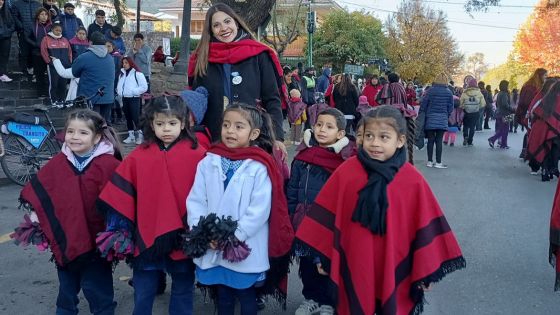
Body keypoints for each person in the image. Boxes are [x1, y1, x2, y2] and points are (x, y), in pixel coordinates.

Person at [295, 105, 465, 315]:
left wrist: (425, 273)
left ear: (400, 140)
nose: (375, 143)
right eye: (369, 136)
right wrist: (324, 258)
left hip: (394, 261)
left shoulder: (411, 180)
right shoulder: (347, 172)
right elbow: (326, 219)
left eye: (384, 137)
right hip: (355, 259)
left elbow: (425, 227)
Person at [97, 96, 206, 315]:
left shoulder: (199, 155)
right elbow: (121, 194)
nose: (166, 129)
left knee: (183, 285)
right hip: (146, 232)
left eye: (172, 123)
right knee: (143, 288)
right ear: (151, 124)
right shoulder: (138, 157)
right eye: (160, 123)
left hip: (184, 235)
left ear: (184, 123)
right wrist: (119, 229)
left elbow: (210, 195)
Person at [186, 103, 294, 315]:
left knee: (245, 294)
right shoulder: (209, 161)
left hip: (243, 243)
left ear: (253, 133)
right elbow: (197, 199)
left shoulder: (260, 165)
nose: (230, 131)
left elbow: (260, 208)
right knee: (223, 293)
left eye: (238, 126)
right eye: (226, 125)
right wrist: (201, 231)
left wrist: (234, 235)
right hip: (211, 240)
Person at [12, 109, 121, 314]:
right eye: (71, 131)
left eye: (83, 133)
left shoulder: (108, 165)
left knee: (97, 288)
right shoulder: (58, 163)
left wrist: (118, 230)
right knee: (67, 287)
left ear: (97, 137)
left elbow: (121, 200)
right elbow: (44, 193)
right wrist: (38, 219)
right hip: (65, 237)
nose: (75, 137)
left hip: (96, 241)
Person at [187, 3, 286, 145]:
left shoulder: (259, 55)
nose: (223, 28)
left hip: (255, 139)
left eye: (227, 21)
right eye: (216, 25)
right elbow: (198, 102)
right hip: (215, 140)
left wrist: (277, 137)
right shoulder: (202, 59)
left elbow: (272, 99)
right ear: (211, 31)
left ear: (236, 23)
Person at [287, 108, 352, 315]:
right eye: (319, 124)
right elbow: (293, 190)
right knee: (307, 264)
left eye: (329, 126)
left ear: (340, 134)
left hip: (329, 225)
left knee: (327, 264)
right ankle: (311, 298)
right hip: (303, 221)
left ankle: (329, 301)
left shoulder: (344, 161)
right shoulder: (303, 156)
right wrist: (291, 215)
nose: (322, 130)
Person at [51, 31, 115, 123]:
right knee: (104, 126)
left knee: (90, 127)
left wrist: (56, 61)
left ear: (90, 43)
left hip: (90, 99)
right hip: (108, 98)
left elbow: (74, 73)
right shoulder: (110, 58)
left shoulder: (84, 57)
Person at [526, 80, 560, 181]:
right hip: (555, 129)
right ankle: (554, 168)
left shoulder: (546, 98)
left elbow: (535, 111)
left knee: (545, 148)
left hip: (542, 127)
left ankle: (545, 171)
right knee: (555, 148)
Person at [420, 73, 453, 168]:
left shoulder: (430, 91)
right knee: (439, 140)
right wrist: (447, 114)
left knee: (430, 140)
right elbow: (451, 107)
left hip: (430, 118)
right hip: (442, 118)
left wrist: (423, 114)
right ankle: (438, 162)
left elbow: (424, 104)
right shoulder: (448, 92)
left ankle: (429, 161)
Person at [117, 56, 148, 145]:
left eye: (126, 63)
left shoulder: (137, 74)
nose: (124, 65)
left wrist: (134, 91)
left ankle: (140, 135)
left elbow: (144, 87)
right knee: (128, 117)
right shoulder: (121, 74)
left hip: (134, 98)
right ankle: (131, 136)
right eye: (123, 63)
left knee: (136, 117)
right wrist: (119, 92)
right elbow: (120, 85)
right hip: (124, 98)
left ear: (131, 63)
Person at [11, 0, 42, 80]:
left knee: (35, 54)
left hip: (36, 33)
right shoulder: (16, 4)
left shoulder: (38, 4)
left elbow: (42, 16)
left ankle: (34, 72)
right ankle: (24, 74)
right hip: (24, 33)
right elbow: (14, 16)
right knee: (23, 54)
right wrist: (21, 27)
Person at [41, 22, 71, 103]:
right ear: (52, 29)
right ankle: (53, 101)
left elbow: (69, 52)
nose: (58, 32)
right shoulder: (46, 39)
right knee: (54, 84)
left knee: (63, 85)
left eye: (60, 31)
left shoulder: (65, 40)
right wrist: (49, 62)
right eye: (56, 30)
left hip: (64, 66)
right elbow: (44, 52)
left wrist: (69, 62)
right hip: (53, 66)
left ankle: (62, 101)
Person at [26, 7, 51, 95]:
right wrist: (36, 44)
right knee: (39, 73)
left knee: (49, 73)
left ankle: (49, 92)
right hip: (37, 53)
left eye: (46, 14)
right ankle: (40, 92)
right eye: (42, 14)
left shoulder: (50, 26)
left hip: (49, 53)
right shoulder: (33, 25)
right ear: (38, 16)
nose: (44, 16)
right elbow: (27, 38)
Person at [488, 80, 514, 149]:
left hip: (499, 113)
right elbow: (505, 104)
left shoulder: (499, 93)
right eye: (507, 85)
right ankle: (494, 140)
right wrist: (512, 109)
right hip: (505, 114)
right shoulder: (504, 94)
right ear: (505, 86)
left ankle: (503, 144)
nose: (508, 87)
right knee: (505, 130)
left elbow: (498, 104)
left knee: (502, 129)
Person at [460, 78, 486, 146]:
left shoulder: (464, 92)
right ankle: (470, 141)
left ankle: (465, 136)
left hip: (466, 112)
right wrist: (478, 107)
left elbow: (461, 102)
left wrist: (464, 107)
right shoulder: (479, 93)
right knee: (472, 127)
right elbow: (483, 104)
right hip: (475, 112)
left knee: (465, 126)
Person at [0, 0, 15, 82]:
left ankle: (2, 74)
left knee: (4, 57)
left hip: (6, 38)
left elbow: (12, 24)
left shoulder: (7, 11)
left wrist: (8, 32)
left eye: (2, 0)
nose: (0, 1)